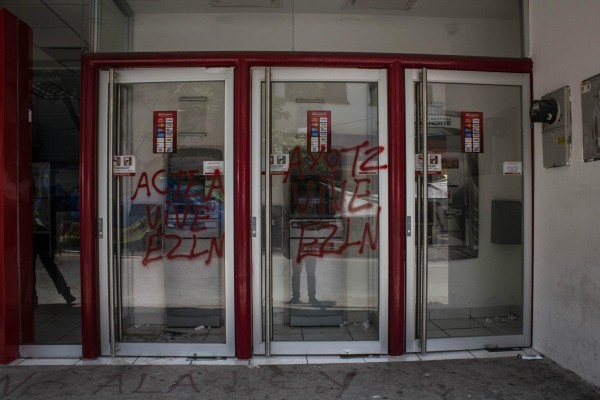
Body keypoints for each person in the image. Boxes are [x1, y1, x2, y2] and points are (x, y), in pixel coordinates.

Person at [33, 182, 76, 305]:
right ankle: (33, 297)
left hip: (42, 237)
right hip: (35, 237)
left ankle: (66, 294)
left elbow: (54, 217)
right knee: (37, 269)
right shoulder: (41, 200)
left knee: (50, 267)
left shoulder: (43, 201)